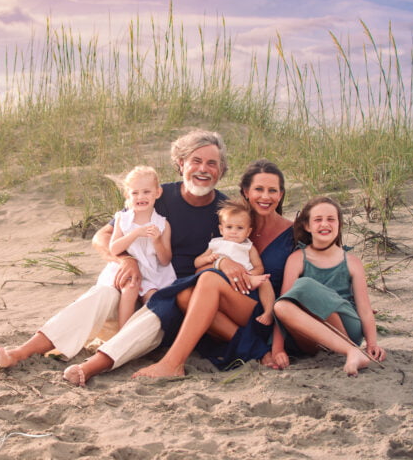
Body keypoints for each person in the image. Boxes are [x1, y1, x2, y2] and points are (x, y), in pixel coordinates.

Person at [0, 129, 228, 385]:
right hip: (132, 288)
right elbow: (102, 237)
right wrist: (126, 259)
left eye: (211, 163)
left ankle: (89, 368)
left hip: (175, 301)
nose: (203, 169)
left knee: (159, 308)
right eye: (196, 161)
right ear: (181, 164)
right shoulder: (155, 194)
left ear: (221, 170)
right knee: (103, 293)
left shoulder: (225, 210)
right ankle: (20, 352)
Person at [64, 159, 295, 385]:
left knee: (202, 283)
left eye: (272, 190)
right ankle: (98, 362)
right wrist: (221, 262)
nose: (265, 197)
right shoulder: (227, 218)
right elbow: (202, 264)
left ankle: (173, 362)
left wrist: (278, 344)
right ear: (245, 192)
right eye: (259, 189)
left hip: (259, 307)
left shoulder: (293, 233)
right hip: (222, 299)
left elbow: (292, 292)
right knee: (182, 295)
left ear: (281, 194)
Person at [270, 196, 387, 375]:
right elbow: (284, 308)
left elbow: (364, 309)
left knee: (304, 285)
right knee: (281, 305)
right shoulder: (297, 259)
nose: (325, 224)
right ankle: (351, 352)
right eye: (318, 220)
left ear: (339, 224)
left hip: (347, 330)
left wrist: (372, 344)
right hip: (311, 337)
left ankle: (351, 349)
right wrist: (278, 349)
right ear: (307, 226)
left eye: (331, 219)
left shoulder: (352, 262)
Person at [102, 166, 176, 328]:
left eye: (146, 192)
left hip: (151, 272)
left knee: (153, 298)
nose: (140, 197)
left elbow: (165, 260)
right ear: (128, 194)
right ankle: (122, 333)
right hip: (129, 270)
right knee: (130, 287)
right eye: (135, 193)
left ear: (157, 193)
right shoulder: (123, 219)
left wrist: (156, 241)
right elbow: (114, 249)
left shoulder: (162, 224)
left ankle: (142, 333)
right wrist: (134, 234)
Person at [192, 198, 274, 326]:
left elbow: (259, 267)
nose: (234, 231)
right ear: (221, 229)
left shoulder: (248, 247)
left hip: (246, 281)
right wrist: (207, 259)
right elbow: (197, 262)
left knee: (265, 281)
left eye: (240, 228)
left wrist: (248, 275)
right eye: (229, 227)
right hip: (221, 281)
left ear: (248, 231)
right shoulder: (216, 244)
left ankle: (268, 312)